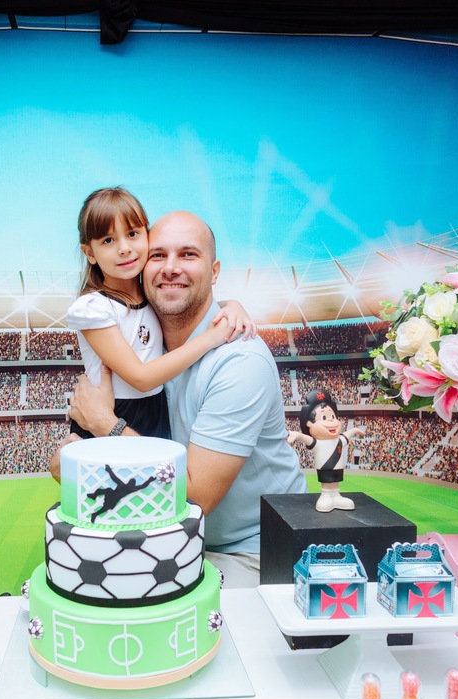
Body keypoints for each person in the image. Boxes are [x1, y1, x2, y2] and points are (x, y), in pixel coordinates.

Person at [62, 210, 306, 587]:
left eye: (189, 255)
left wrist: (106, 425)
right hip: (181, 537)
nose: (170, 268)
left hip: (254, 551)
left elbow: (194, 497)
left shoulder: (240, 360)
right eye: (157, 255)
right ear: (140, 267)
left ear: (214, 271)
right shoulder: (142, 339)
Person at [68, 187, 254, 439]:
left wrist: (233, 305)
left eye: (132, 233)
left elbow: (192, 301)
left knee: (165, 476)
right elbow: (141, 378)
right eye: (108, 241)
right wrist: (211, 338)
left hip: (154, 409)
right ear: (89, 253)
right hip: (118, 412)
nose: (124, 248)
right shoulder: (93, 307)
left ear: (146, 234)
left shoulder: (150, 295)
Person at [286, 389, 367, 512]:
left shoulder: (338, 440)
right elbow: (308, 439)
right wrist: (297, 435)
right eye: (323, 417)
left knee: (335, 484)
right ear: (309, 424)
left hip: (337, 469)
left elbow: (347, 435)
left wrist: (355, 430)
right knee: (327, 486)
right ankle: (326, 496)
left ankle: (336, 496)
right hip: (325, 468)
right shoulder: (318, 443)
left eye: (332, 416)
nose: (330, 420)